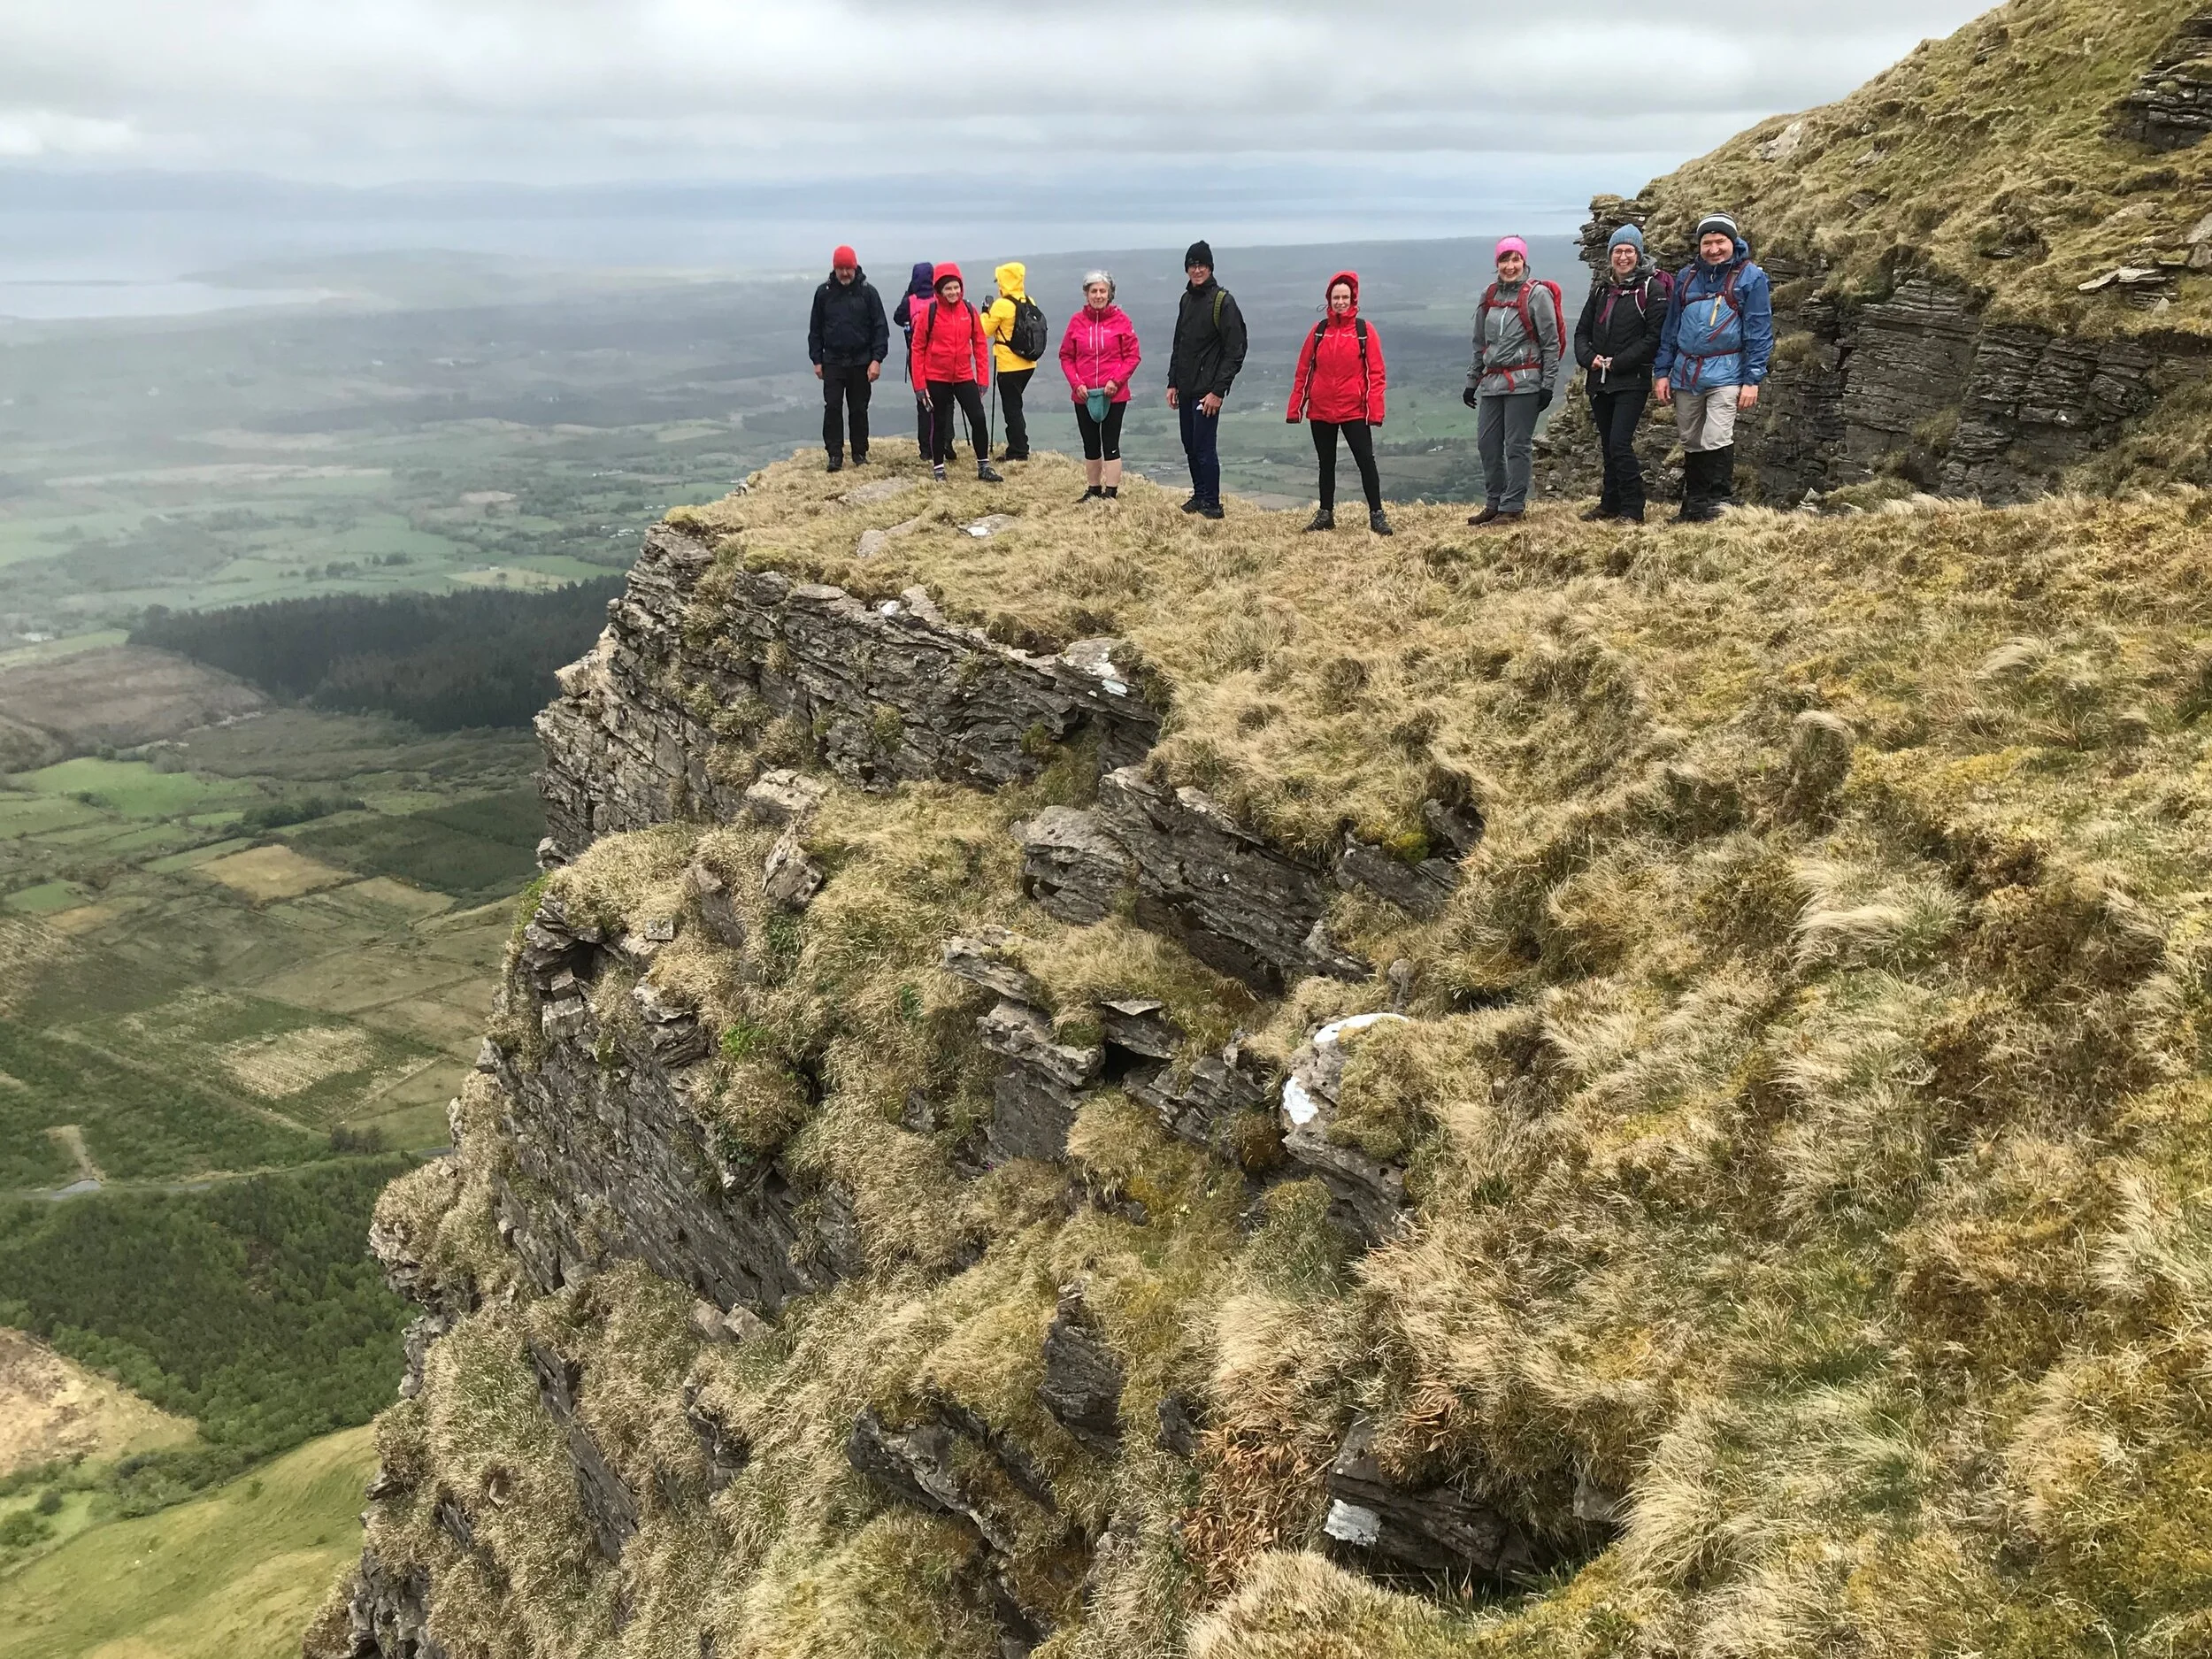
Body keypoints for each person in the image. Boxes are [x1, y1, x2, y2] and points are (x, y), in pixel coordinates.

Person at [1653, 213, 1774, 523]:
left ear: (1732, 242)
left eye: (1720, 241)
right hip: (1686, 372)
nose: (1714, 248)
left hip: (1728, 371)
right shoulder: (1687, 277)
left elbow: (1759, 332)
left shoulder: (1751, 277)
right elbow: (1672, 328)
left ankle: (1717, 506)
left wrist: (1752, 379)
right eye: (1707, 242)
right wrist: (1662, 372)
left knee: (1716, 437)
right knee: (1691, 439)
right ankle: (1693, 507)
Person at [1571, 225, 1671, 523]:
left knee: (1619, 443)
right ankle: (1610, 502)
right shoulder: (1601, 289)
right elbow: (1581, 332)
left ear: (1638, 254)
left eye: (1629, 251)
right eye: (1618, 251)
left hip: (1631, 380)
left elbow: (1654, 338)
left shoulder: (1650, 289)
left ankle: (1632, 508)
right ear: (1610, 255)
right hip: (1599, 380)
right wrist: (1590, 359)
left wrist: (1617, 363)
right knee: (1607, 444)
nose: (1623, 257)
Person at [1463, 236, 1562, 526]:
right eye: (1504, 260)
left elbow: (1550, 343)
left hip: (1525, 381)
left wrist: (1547, 385)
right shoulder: (1489, 295)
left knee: (1517, 445)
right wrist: (1472, 380)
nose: (1510, 266)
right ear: (1497, 264)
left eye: (1515, 259)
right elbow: (1480, 343)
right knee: (1487, 444)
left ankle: (1513, 506)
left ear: (1524, 262)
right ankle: (1495, 501)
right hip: (1493, 382)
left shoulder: (1537, 294)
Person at [1286, 271, 1392, 535]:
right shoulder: (1319, 331)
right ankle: (1326, 514)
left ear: (1353, 298)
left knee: (1366, 461)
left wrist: (1374, 411)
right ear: (1329, 299)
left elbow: (1376, 373)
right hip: (1321, 409)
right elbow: (1304, 369)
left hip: (1353, 409)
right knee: (1326, 462)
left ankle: (1377, 515)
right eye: (1336, 297)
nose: (1341, 301)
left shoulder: (1364, 331)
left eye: (1345, 297)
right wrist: (1296, 407)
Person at [1165, 240, 1247, 520]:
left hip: (1207, 393)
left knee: (1204, 447)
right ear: (1187, 269)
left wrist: (1218, 391)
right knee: (1190, 445)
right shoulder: (1186, 300)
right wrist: (1172, 382)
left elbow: (1236, 350)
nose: (1197, 269)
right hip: (1186, 387)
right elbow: (1180, 344)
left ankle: (1212, 503)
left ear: (1210, 267)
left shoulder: (1223, 302)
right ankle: (1199, 496)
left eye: (1201, 264)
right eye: (1192, 265)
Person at [911, 264, 1002, 483]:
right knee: (939, 422)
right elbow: (917, 348)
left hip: (963, 376)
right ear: (939, 290)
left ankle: (983, 467)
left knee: (978, 419)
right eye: (948, 289)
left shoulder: (969, 311)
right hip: (936, 377)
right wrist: (920, 386)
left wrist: (982, 378)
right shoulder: (929, 313)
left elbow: (980, 344)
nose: (953, 293)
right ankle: (939, 469)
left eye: (956, 288)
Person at [1058, 271, 1141, 503]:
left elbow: (1132, 356)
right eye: (1093, 291)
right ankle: (1093, 489)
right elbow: (1066, 356)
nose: (1098, 295)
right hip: (1084, 395)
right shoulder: (1076, 321)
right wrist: (1076, 384)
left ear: (1110, 293)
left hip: (1114, 394)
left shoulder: (1122, 321)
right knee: (1090, 443)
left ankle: (1111, 493)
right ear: (1086, 294)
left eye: (1102, 291)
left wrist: (1116, 381)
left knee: (1111, 442)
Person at [807, 246, 889, 472]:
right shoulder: (823, 293)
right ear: (834, 269)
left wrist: (876, 360)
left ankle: (859, 453)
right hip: (832, 360)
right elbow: (815, 329)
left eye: (848, 268)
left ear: (855, 267)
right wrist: (817, 359)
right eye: (840, 268)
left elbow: (880, 328)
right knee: (832, 407)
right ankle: (834, 455)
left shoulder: (868, 293)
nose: (844, 273)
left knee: (859, 408)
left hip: (861, 361)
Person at [979, 262, 1043, 463]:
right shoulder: (1029, 301)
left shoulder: (1002, 305)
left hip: (1009, 365)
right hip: (1028, 364)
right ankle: (1019, 446)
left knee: (1012, 408)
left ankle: (1018, 450)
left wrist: (984, 312)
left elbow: (984, 332)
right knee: (1016, 405)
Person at [891, 260, 937, 458]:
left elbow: (897, 318)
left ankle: (926, 449)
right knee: (946, 401)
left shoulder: (910, 301)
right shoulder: (939, 298)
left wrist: (909, 292)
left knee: (923, 402)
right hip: (940, 357)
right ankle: (945, 443)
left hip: (917, 358)